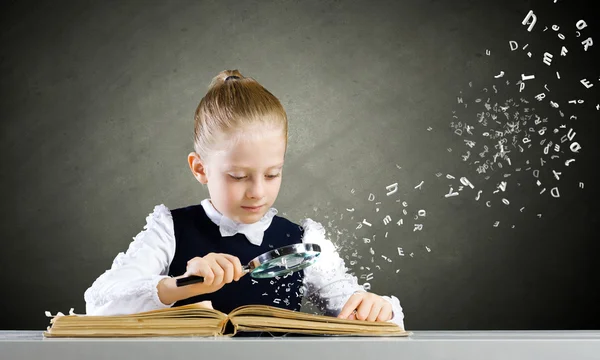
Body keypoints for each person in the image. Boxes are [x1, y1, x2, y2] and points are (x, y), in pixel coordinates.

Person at [84, 69, 405, 331]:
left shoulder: (304, 241)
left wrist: (378, 308)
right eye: (238, 176)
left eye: (272, 174)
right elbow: (99, 304)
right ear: (200, 168)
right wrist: (179, 284)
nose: (257, 192)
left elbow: (355, 308)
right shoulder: (169, 229)